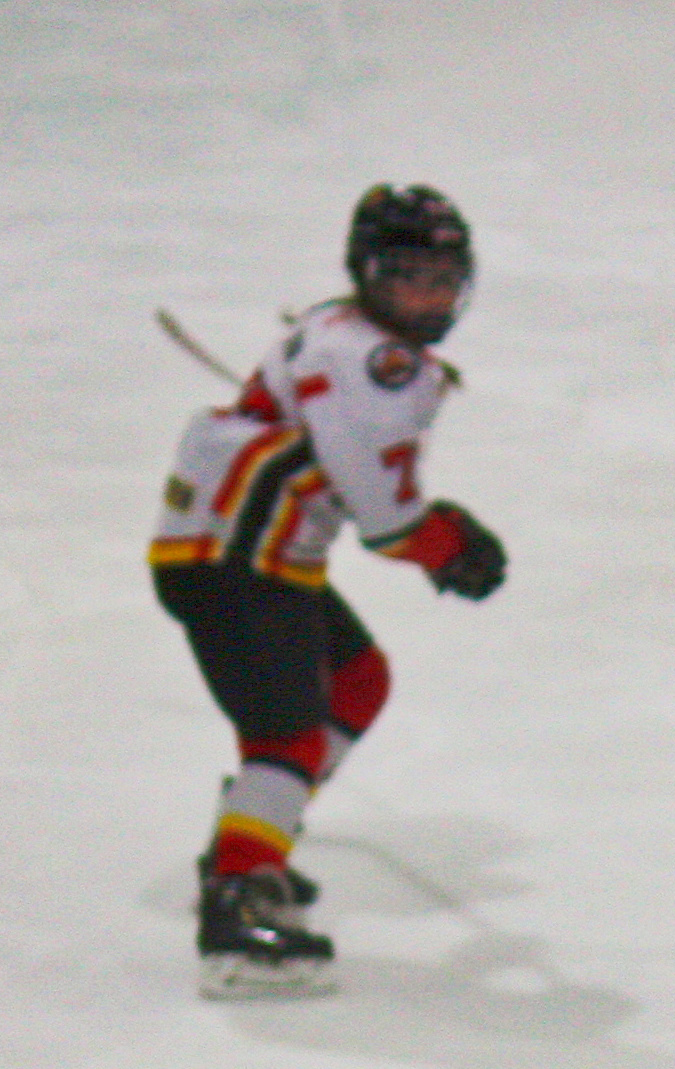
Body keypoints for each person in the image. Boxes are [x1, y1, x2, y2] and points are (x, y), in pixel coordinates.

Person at [148, 185, 508, 997]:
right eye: (408, 277)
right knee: (286, 734)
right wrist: (448, 545)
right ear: (367, 273)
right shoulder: (373, 363)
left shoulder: (343, 334)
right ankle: (238, 912)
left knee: (356, 680)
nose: (428, 297)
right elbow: (385, 521)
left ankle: (252, 836)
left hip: (253, 553)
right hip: (235, 561)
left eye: (443, 279)